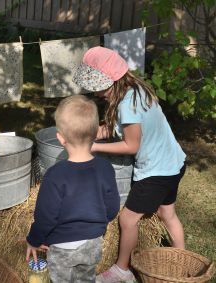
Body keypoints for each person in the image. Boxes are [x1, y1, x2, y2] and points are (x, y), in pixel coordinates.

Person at [73, 46, 186, 283]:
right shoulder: (132, 90)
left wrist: (93, 147)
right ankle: (182, 260)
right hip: (174, 162)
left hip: (157, 171)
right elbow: (113, 127)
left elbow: (131, 146)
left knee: (127, 219)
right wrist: (89, 133)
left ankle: (122, 270)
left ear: (113, 79)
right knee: (168, 214)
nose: (96, 93)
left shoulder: (127, 104)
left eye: (98, 86)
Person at [26, 95, 120, 283]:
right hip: (93, 242)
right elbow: (113, 207)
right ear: (95, 134)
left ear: (60, 138)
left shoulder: (54, 175)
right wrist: (98, 224)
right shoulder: (105, 168)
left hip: (62, 247)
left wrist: (33, 240)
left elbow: (46, 217)